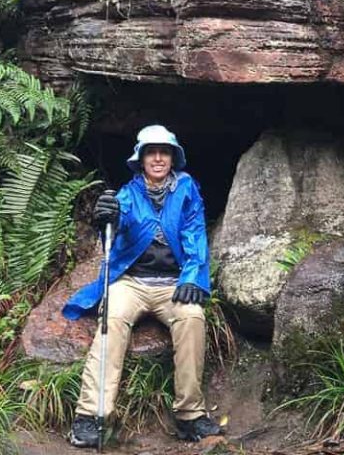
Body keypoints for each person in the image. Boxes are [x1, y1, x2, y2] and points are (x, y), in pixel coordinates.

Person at [63, 124, 222, 447]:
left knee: (192, 318)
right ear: (141, 159)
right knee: (112, 321)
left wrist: (192, 277)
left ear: (173, 157)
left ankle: (190, 414)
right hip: (132, 282)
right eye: (152, 152)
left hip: (172, 283)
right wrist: (106, 219)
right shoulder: (127, 194)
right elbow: (117, 230)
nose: (159, 158)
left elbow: (195, 235)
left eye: (165, 152)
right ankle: (90, 416)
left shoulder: (187, 188)